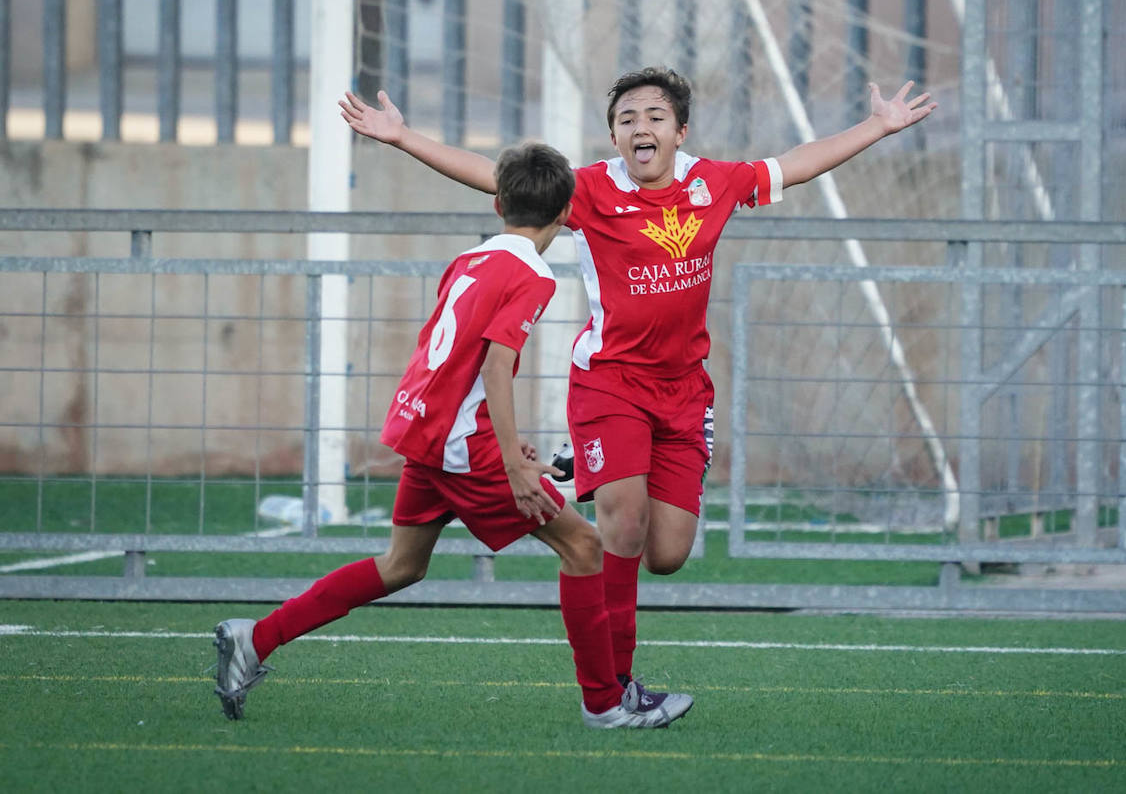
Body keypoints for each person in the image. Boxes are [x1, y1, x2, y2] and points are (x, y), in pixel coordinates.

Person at [340, 67, 936, 688]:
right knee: (620, 528)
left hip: (684, 393)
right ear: (615, 138)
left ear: (680, 131)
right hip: (609, 381)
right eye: (626, 120)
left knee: (667, 554)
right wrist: (404, 138)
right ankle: (617, 688)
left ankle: (594, 473)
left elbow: (797, 163)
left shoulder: (716, 182)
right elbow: (498, 178)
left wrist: (876, 126)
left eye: (653, 117)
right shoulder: (589, 189)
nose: (640, 127)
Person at [212, 141, 692, 730]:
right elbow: (494, 362)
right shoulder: (535, 276)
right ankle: (604, 703)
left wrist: (501, 438)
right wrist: (512, 464)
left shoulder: (470, 260)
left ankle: (255, 638)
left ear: (497, 206)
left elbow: (449, 355)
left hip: (429, 433)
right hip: (465, 449)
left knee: (401, 565)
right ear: (569, 214)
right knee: (585, 547)